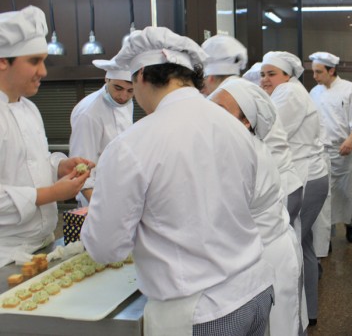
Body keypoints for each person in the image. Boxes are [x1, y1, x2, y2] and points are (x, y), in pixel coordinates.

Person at [80, 26, 274, 336]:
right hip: (256, 290)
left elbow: (106, 249)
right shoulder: (233, 126)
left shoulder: (132, 144)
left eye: (132, 84)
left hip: (203, 312)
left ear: (141, 74)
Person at [212, 78, 307, 336]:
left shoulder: (241, 155)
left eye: (220, 110)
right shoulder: (237, 145)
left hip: (266, 258)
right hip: (265, 253)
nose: (210, 114)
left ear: (246, 122)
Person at [0, 6, 92, 267]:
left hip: (42, 244)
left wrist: (60, 167)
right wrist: (51, 193)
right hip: (4, 254)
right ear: (3, 61)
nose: (44, 71)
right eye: (34, 61)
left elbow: (28, 165)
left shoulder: (29, 108)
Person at [260, 51, 329, 326]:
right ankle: (308, 313)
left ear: (287, 75)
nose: (265, 79)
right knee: (305, 245)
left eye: (271, 74)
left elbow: (267, 132)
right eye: (263, 74)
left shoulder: (287, 93)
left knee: (292, 248)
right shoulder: (290, 90)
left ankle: (294, 319)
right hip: (311, 177)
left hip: (305, 178)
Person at [201, 38, 303, 223]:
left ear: (210, 77)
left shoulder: (230, 94)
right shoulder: (239, 89)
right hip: (282, 182)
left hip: (274, 187)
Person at [309, 51, 352, 244]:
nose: (314, 76)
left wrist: (351, 139)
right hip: (321, 151)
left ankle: (350, 223)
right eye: (313, 72)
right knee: (324, 194)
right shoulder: (314, 92)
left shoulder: (349, 89)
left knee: (345, 191)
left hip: (344, 150)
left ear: (331, 70)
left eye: (318, 72)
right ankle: (326, 234)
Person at [69, 58, 134, 207]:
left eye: (130, 91)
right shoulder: (88, 113)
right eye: (118, 88)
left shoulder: (126, 104)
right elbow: (81, 169)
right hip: (96, 198)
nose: (123, 96)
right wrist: (99, 209)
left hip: (122, 192)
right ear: (107, 79)